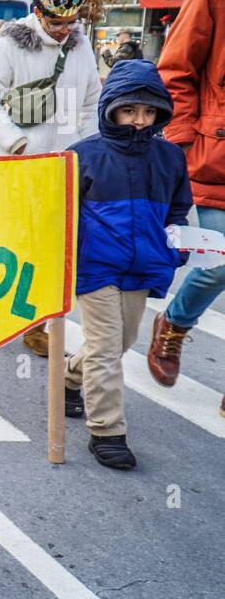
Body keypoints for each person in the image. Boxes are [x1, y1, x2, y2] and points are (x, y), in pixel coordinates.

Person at [65, 60, 192, 469]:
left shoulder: (170, 157)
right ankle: (107, 431)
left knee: (121, 342)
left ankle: (70, 377)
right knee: (106, 349)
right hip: (95, 265)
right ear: (111, 109)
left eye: (149, 112)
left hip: (143, 265)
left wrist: (177, 239)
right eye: (130, 110)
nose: (139, 120)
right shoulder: (83, 156)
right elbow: (59, 212)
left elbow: (178, 208)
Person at [0, 0, 100, 356]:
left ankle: (43, 325)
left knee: (58, 246)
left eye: (71, 23)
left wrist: (88, 149)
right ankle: (18, 312)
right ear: (39, 12)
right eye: (56, 23)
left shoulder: (80, 46)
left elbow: (90, 102)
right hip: (22, 159)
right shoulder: (13, 43)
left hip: (69, 161)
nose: (64, 30)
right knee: (22, 244)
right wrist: (14, 142)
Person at [147, 0, 225, 416]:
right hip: (215, 155)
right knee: (218, 261)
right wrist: (182, 142)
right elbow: (175, 70)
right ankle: (174, 323)